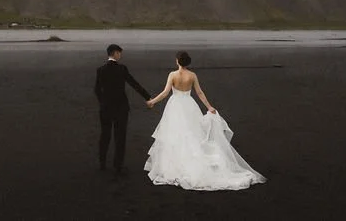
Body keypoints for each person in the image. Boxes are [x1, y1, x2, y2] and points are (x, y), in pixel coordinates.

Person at [143, 50, 266, 190]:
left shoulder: (173, 75)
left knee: (176, 133)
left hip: (175, 105)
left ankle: (176, 163)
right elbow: (200, 93)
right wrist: (209, 106)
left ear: (177, 61)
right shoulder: (192, 75)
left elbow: (165, 93)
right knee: (193, 133)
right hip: (189, 104)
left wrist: (152, 101)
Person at [94, 43, 152, 176]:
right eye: (119, 53)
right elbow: (133, 83)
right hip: (121, 107)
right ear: (115, 53)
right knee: (120, 137)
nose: (120, 55)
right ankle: (118, 165)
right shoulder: (122, 69)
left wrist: (102, 102)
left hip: (106, 108)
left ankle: (102, 163)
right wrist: (147, 97)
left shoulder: (100, 70)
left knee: (105, 135)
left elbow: (97, 90)